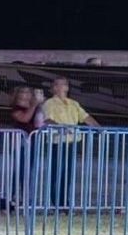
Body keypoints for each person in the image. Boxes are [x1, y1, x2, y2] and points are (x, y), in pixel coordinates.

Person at [40, 77, 98, 210]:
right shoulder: (49, 103)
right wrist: (61, 127)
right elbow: (47, 120)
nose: (64, 87)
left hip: (72, 142)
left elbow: (85, 117)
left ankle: (65, 203)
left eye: (65, 84)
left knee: (68, 174)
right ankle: (57, 204)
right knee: (57, 174)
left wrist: (99, 128)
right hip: (57, 142)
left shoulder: (73, 103)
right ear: (53, 87)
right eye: (60, 84)